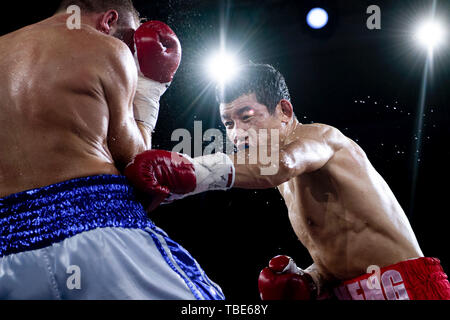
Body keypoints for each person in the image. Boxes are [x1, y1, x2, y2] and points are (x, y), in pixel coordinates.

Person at [125, 63, 450, 300]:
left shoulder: (321, 139)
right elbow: (339, 257)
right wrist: (310, 280)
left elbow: (282, 163)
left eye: (247, 116)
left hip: (409, 288)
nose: (237, 133)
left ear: (284, 110)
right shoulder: (280, 178)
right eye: (228, 122)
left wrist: (192, 172)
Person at [0, 0, 223, 300]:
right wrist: (150, 89)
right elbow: (137, 161)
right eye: (132, 40)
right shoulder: (106, 48)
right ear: (109, 21)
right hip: (96, 231)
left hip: (8, 255)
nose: (133, 53)